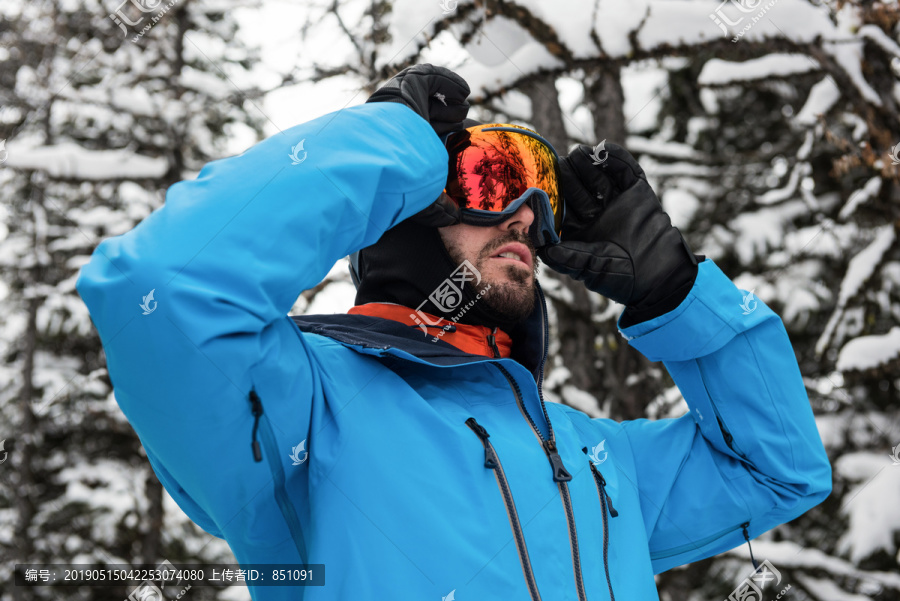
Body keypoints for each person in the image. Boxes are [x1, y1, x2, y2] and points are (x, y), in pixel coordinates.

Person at [76, 64, 831, 601]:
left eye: (541, 200)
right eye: (488, 179)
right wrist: (393, 141)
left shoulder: (594, 455)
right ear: (407, 209)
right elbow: (164, 286)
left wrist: (677, 292)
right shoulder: (305, 406)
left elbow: (780, 468)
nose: (526, 215)